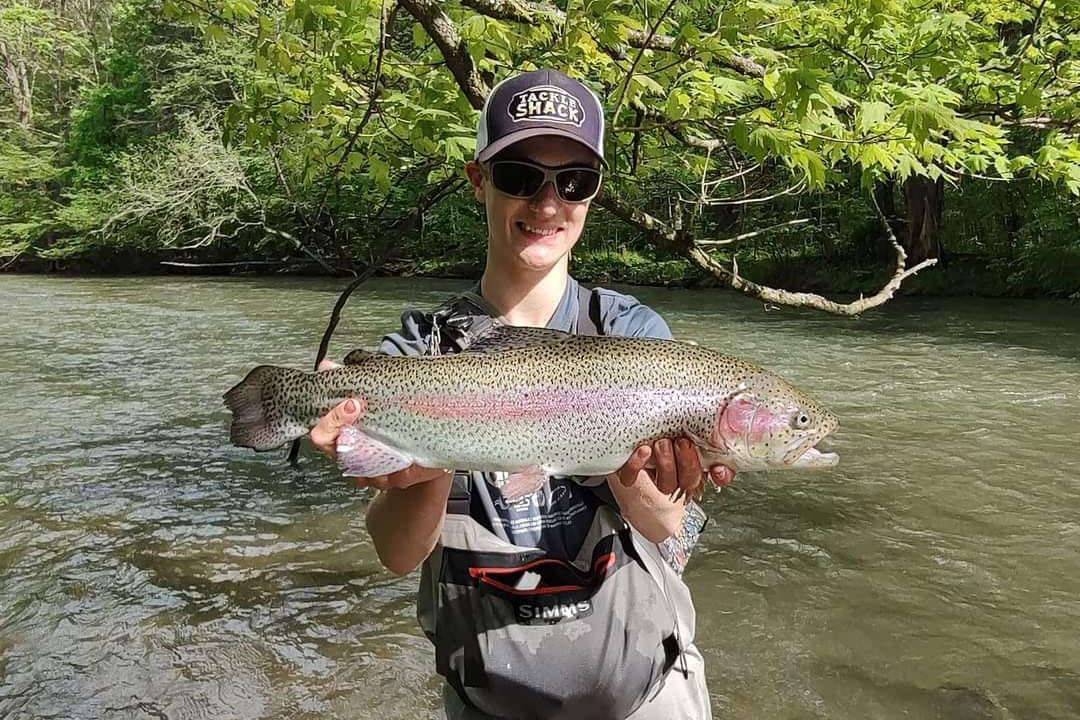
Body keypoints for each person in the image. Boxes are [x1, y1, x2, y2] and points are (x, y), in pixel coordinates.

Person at [309, 69, 734, 720]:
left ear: (592, 194)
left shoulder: (630, 335)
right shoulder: (422, 351)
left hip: (649, 693)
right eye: (520, 176)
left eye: (574, 181)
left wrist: (636, 462)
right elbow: (397, 556)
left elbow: (665, 524)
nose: (546, 203)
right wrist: (430, 455)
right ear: (479, 180)